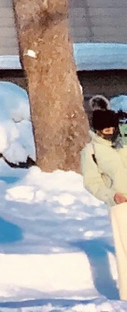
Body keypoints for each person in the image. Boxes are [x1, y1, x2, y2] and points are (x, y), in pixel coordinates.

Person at [81, 100, 127, 291]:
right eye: (105, 129)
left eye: (112, 128)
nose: (109, 132)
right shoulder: (91, 151)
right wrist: (112, 196)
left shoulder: (123, 143)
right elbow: (92, 182)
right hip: (120, 204)